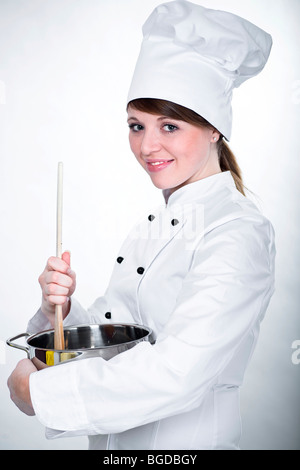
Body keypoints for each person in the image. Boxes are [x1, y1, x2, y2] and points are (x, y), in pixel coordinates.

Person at [8, 0, 275, 450]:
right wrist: (65, 311)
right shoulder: (156, 225)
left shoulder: (238, 232)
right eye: (136, 125)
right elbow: (124, 338)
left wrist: (35, 392)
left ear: (214, 130)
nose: (147, 146)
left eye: (169, 126)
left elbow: (176, 373)